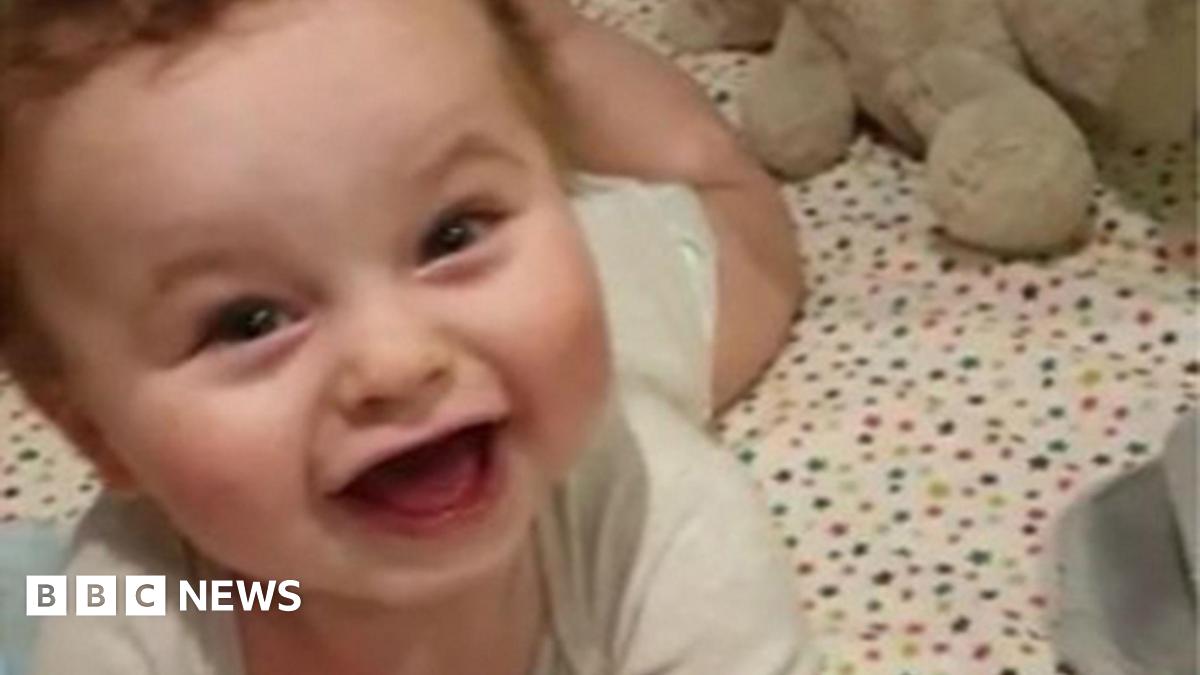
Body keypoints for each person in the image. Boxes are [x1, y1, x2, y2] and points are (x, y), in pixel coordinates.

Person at [0, 0, 813, 672]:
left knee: (725, 198)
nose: (394, 362)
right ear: (94, 430)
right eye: (248, 321)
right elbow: (42, 594)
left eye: (453, 232)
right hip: (511, 285)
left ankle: (542, 37)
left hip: (636, 272)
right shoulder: (166, 596)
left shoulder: (662, 527)